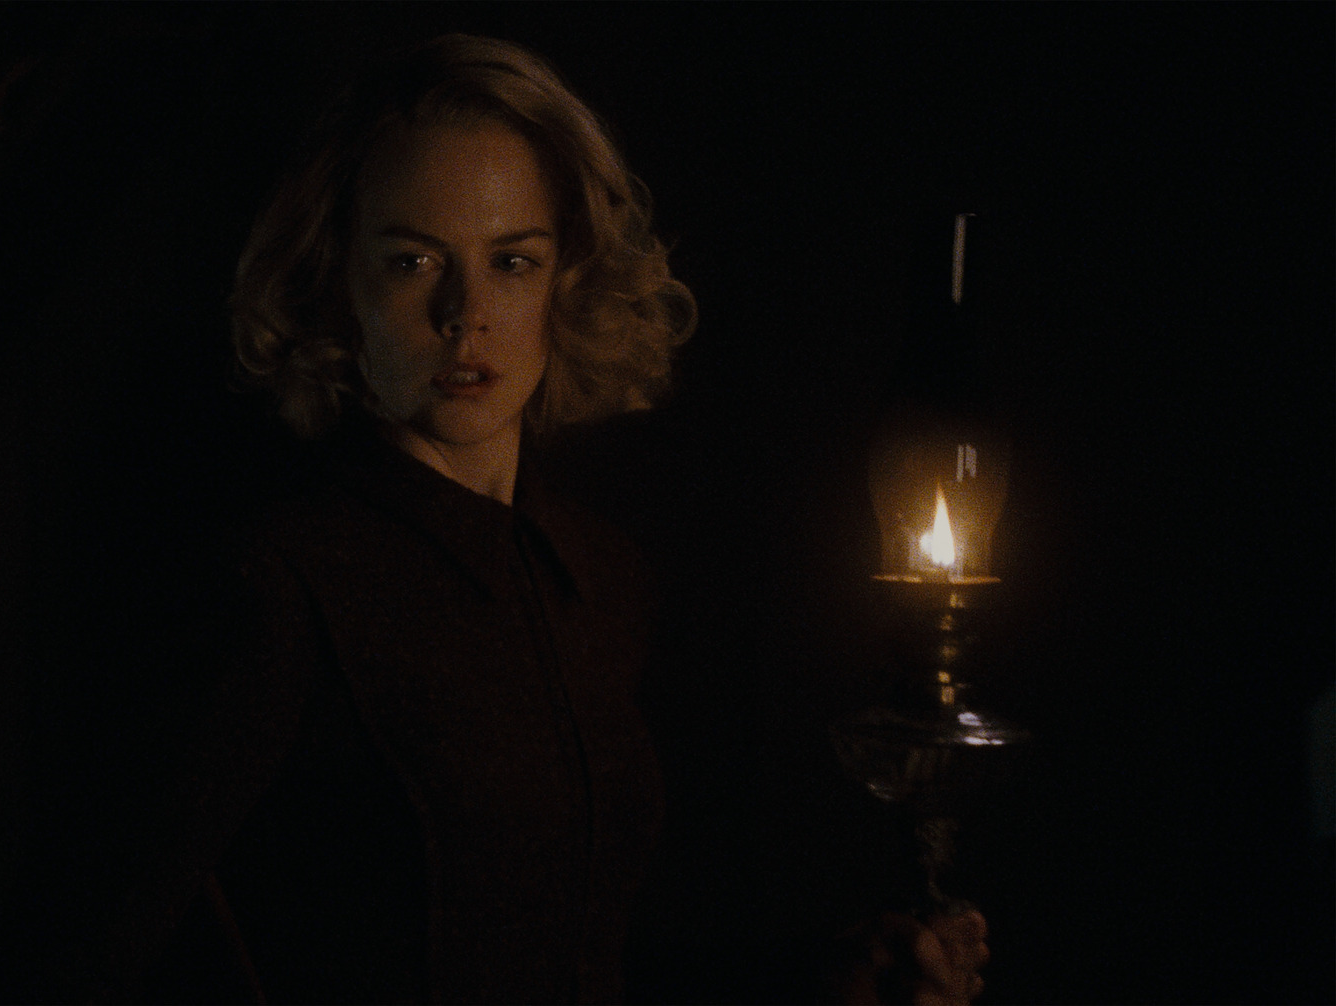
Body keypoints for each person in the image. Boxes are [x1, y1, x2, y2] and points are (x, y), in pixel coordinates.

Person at [67, 33, 989, 1004]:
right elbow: (79, 954)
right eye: (413, 260)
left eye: (511, 261)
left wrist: (828, 978)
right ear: (338, 279)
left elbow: (590, 965)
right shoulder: (275, 588)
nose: (465, 314)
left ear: (566, 279)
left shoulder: (600, 577)